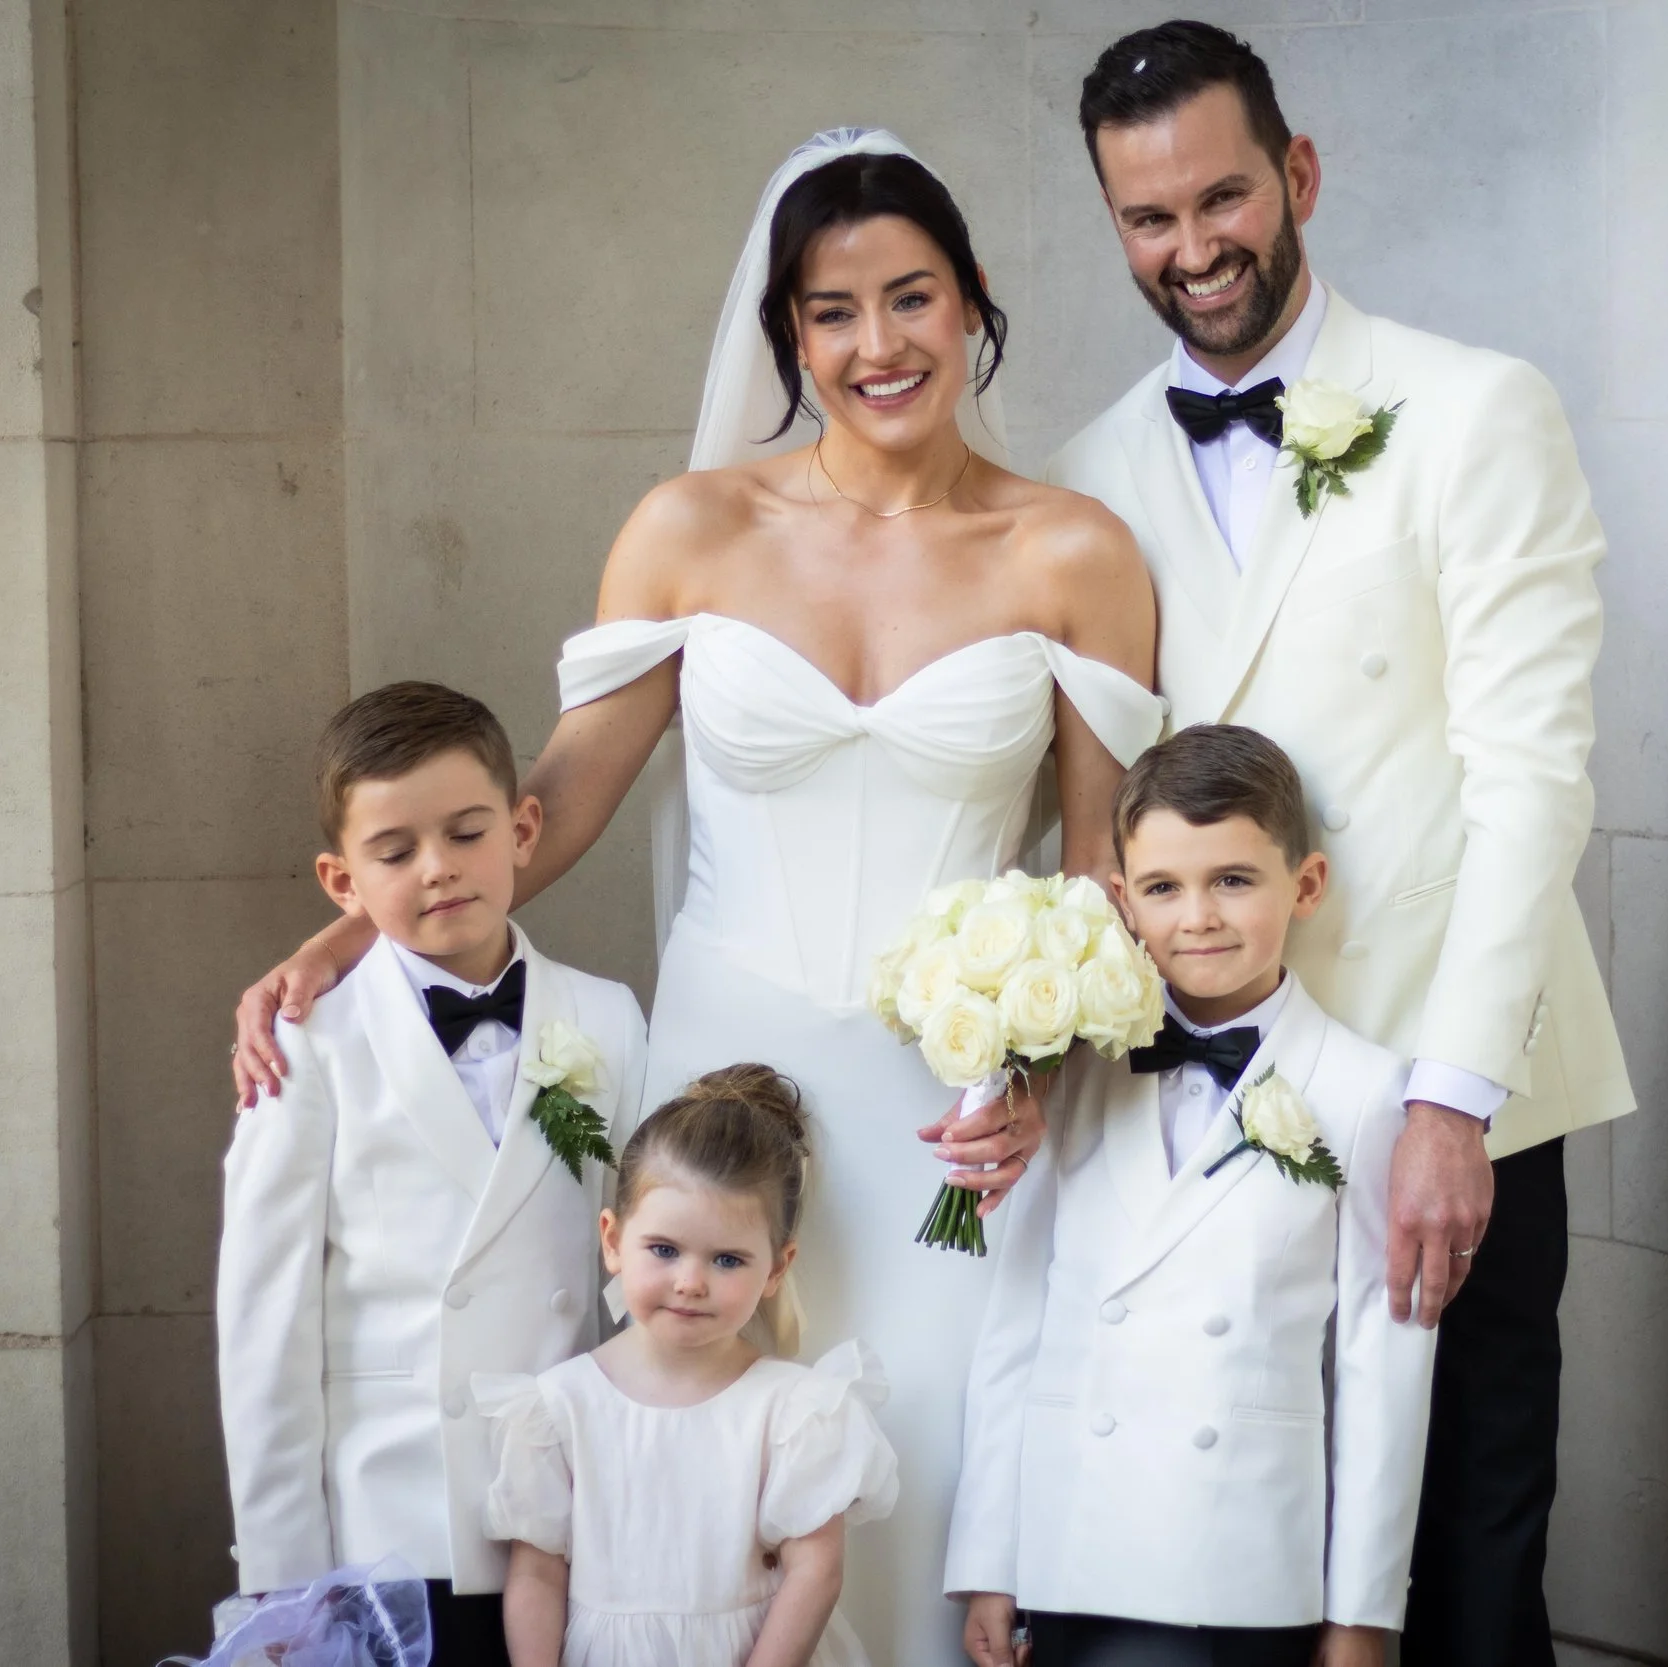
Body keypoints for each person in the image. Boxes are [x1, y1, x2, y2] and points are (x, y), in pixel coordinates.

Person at [228, 130, 1165, 1665]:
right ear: (787, 332)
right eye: (833, 311)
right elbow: (557, 796)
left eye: (911, 297)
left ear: (974, 301)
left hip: (951, 1119)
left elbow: (1102, 875)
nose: (877, 345)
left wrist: (1043, 1074)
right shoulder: (689, 529)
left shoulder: (1072, 550)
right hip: (725, 1080)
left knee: (916, 1491)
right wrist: (359, 924)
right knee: (698, 1491)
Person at [1049, 24, 1638, 1666]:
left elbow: (1534, 779)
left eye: (1223, 195)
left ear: (1296, 174)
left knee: (1462, 1561)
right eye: (1148, 218)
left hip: (1457, 1075)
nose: (1194, 247)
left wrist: (1456, 1095)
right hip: (1213, 1102)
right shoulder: (1086, 481)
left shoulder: (1473, 409)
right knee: (1247, 1578)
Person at [948, 725, 1436, 1667]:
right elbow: (1015, 1322)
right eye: (1165, 888)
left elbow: (1381, 1375)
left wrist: (1364, 1615)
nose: (1199, 916)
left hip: (1245, 1565)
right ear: (1123, 900)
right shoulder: (1068, 1068)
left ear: (1306, 885)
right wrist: (988, 1561)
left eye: (1234, 880)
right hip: (1073, 1544)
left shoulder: (1364, 1088)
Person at [217, 682, 650, 1667]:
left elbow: (637, 1268)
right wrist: (281, 1568)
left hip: (570, 1511)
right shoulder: (310, 1043)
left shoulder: (608, 1016)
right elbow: (264, 1317)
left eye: (465, 832)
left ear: (524, 827)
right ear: (341, 880)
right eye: (395, 849)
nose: (439, 869)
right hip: (391, 1520)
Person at [473, 1065, 900, 1667]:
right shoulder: (559, 1406)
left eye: (728, 1259)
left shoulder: (796, 1411)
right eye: (665, 1250)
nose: (691, 1283)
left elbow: (816, 1571)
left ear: (777, 1268)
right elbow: (538, 1574)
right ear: (613, 1240)